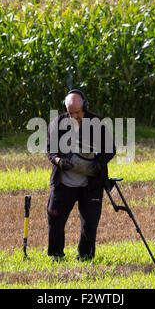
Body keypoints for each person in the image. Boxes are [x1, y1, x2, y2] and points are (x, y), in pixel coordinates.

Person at [46, 89, 116, 262]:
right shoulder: (57, 123)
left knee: (89, 223)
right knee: (55, 218)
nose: (75, 116)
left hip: (90, 184)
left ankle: (85, 257)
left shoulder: (96, 123)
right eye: (71, 113)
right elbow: (50, 151)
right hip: (64, 183)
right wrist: (59, 161)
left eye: (78, 112)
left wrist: (98, 164)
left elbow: (110, 150)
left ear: (85, 106)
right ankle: (56, 255)